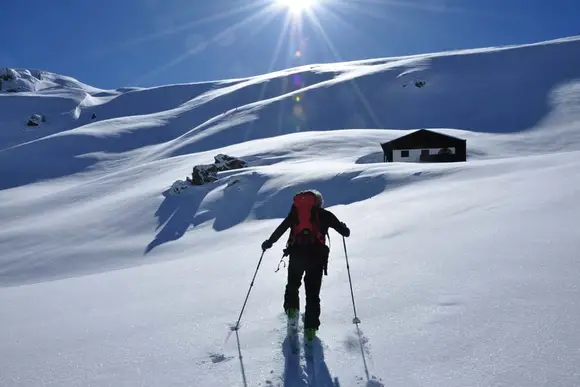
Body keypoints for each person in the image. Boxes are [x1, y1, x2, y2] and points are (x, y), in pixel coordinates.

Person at [261, 189, 350, 341]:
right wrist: (343, 226)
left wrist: (269, 242)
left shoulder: (295, 214)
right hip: (316, 258)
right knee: (312, 294)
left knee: (292, 285)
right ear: (319, 203)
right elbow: (345, 233)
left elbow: (281, 229)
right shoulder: (325, 214)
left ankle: (292, 313)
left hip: (296, 255)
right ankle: (310, 329)